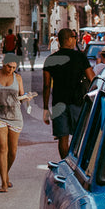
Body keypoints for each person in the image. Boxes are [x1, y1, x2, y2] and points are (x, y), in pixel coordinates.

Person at [42, 28, 95, 157]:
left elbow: (47, 85)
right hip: (78, 102)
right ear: (70, 39)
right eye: (74, 37)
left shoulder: (50, 59)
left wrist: (45, 108)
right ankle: (76, 163)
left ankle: (65, 164)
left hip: (59, 103)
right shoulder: (80, 57)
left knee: (62, 138)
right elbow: (92, 78)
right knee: (80, 136)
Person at [0, 56, 30, 191]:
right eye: (9, 66)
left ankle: (5, 173)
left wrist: (27, 97)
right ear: (3, 64)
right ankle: (3, 182)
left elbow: (20, 96)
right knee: (3, 148)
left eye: (14, 67)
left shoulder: (18, 78)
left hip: (15, 117)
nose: (11, 70)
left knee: (13, 151)